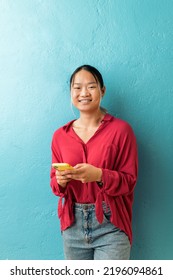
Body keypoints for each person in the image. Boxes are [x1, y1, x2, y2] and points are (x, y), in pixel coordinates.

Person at [50, 65, 138, 260]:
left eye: (91, 86)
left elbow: (129, 181)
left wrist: (98, 175)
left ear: (102, 90)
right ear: (71, 92)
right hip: (72, 225)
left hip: (111, 223)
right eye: (77, 87)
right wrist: (61, 180)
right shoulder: (59, 136)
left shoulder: (122, 131)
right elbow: (55, 186)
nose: (84, 93)